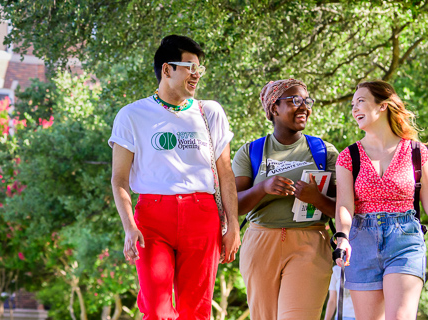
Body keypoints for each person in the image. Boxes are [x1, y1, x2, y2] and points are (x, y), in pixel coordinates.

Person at [109, 35, 239, 320]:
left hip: (202, 216)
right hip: (153, 219)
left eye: (199, 69)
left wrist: (233, 226)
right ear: (167, 69)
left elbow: (226, 173)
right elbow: (119, 179)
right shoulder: (132, 115)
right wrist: (129, 226)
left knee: (197, 310)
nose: (196, 75)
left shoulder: (211, 112)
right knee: (157, 310)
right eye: (190, 67)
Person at [333, 80, 428, 320]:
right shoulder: (348, 156)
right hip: (361, 240)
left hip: (404, 239)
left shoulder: (416, 152)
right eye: (352, 104)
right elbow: (344, 205)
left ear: (383, 106)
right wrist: (342, 238)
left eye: (361, 102)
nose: (354, 109)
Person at [232, 79, 337, 319]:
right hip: (260, 244)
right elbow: (234, 205)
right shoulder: (250, 152)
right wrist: (263, 188)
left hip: (309, 243)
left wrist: (316, 198)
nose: (304, 107)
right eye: (294, 101)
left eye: (306, 101)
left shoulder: (324, 151)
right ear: (274, 108)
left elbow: (344, 206)